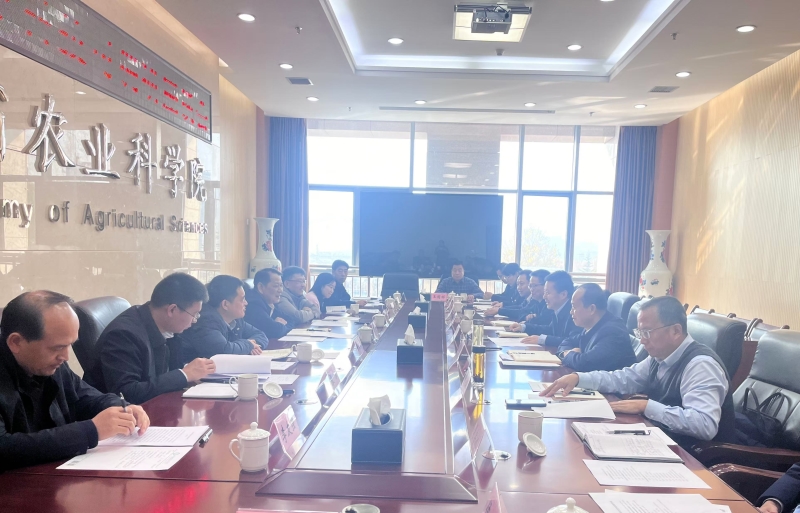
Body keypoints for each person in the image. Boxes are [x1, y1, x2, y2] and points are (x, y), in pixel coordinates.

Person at [541, 296, 736, 448]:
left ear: (676, 331)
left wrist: (646, 406)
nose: (642, 340)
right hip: (662, 443)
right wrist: (578, 378)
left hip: (695, 459)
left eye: (647, 332)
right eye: (639, 333)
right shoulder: (659, 357)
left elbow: (704, 424)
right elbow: (623, 378)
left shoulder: (701, 365)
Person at [0, 291, 150, 471]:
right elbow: (4, 448)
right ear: (16, 342)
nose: (66, 356)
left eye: (70, 344)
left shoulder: (51, 363)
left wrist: (121, 407)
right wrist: (91, 431)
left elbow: (84, 397)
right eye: (58, 347)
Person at [84, 273, 217, 404]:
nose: (195, 320)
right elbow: (128, 393)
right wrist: (184, 375)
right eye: (194, 314)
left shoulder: (167, 327)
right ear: (172, 310)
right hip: (117, 413)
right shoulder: (123, 335)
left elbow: (169, 370)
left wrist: (190, 376)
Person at [179, 275, 269, 363]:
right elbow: (223, 351)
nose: (246, 303)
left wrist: (251, 345)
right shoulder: (206, 320)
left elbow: (261, 335)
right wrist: (248, 345)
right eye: (242, 299)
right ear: (225, 304)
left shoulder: (236, 319)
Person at [555, 283, 637, 372]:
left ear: (592, 309)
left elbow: (585, 364)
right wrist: (566, 353)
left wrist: (568, 354)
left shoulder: (613, 332)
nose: (571, 312)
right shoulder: (592, 325)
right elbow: (567, 341)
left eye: (574, 307)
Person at [509, 270, 580, 347]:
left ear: (563, 294)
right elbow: (549, 329)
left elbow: (572, 341)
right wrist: (523, 327)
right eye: (545, 292)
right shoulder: (558, 309)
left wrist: (543, 339)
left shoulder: (574, 312)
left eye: (548, 293)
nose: (544, 297)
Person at [244, 267, 291, 339]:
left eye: (281, 285)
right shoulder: (252, 304)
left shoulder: (270, 302)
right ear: (261, 287)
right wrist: (278, 324)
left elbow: (291, 320)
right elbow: (276, 331)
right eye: (276, 286)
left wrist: (279, 325)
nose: (280, 290)